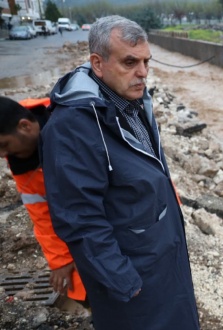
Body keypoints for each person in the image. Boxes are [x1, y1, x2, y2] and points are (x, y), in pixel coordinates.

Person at [40, 15, 200, 330]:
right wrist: (124, 280)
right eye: (129, 62)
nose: (142, 72)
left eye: (146, 62)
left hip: (161, 258)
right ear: (97, 63)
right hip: (132, 278)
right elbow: (79, 219)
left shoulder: (129, 103)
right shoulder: (73, 128)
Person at [0, 96, 87, 303]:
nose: (3, 154)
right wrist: (61, 261)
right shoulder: (21, 161)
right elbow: (42, 215)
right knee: (79, 287)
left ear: (25, 126)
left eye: (3, 144)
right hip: (85, 223)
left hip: (129, 217)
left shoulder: (77, 126)